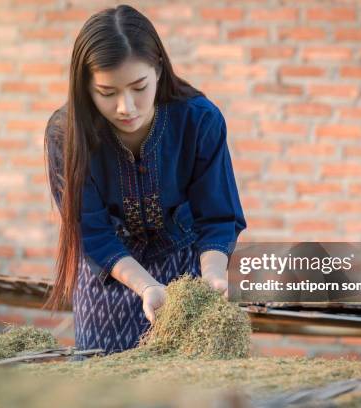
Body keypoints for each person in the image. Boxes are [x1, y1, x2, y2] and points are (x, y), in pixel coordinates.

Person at [43, 4, 246, 355]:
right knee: (103, 386)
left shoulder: (199, 120)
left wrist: (212, 277)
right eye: (107, 93)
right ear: (85, 88)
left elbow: (216, 217)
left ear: (159, 70)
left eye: (139, 87)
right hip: (109, 277)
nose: (126, 107)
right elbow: (93, 233)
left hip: (186, 272)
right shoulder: (66, 134)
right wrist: (147, 286)